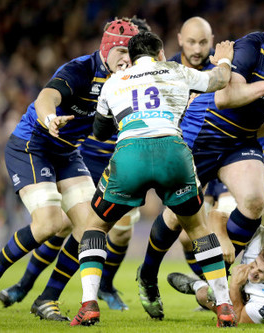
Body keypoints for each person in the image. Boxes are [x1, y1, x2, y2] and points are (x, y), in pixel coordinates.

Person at [136, 10, 264, 318]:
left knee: (255, 202)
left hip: (240, 140)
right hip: (202, 133)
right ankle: (147, 276)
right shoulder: (252, 47)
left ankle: (219, 272)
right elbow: (227, 98)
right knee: (176, 215)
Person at [0, 18, 139, 320]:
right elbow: (47, 97)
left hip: (67, 152)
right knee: (48, 223)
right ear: (107, 48)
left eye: (132, 53)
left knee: (91, 227)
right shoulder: (79, 69)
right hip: (32, 145)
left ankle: (48, 298)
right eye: (122, 51)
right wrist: (49, 119)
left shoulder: (124, 80)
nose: (127, 59)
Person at [70, 31, 237, 327]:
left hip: (130, 155)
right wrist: (224, 58)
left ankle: (89, 304)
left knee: (95, 226)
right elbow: (220, 80)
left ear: (132, 57)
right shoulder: (176, 70)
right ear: (160, 54)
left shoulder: (113, 82)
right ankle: (224, 306)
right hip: (173, 152)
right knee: (198, 228)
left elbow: (99, 132)